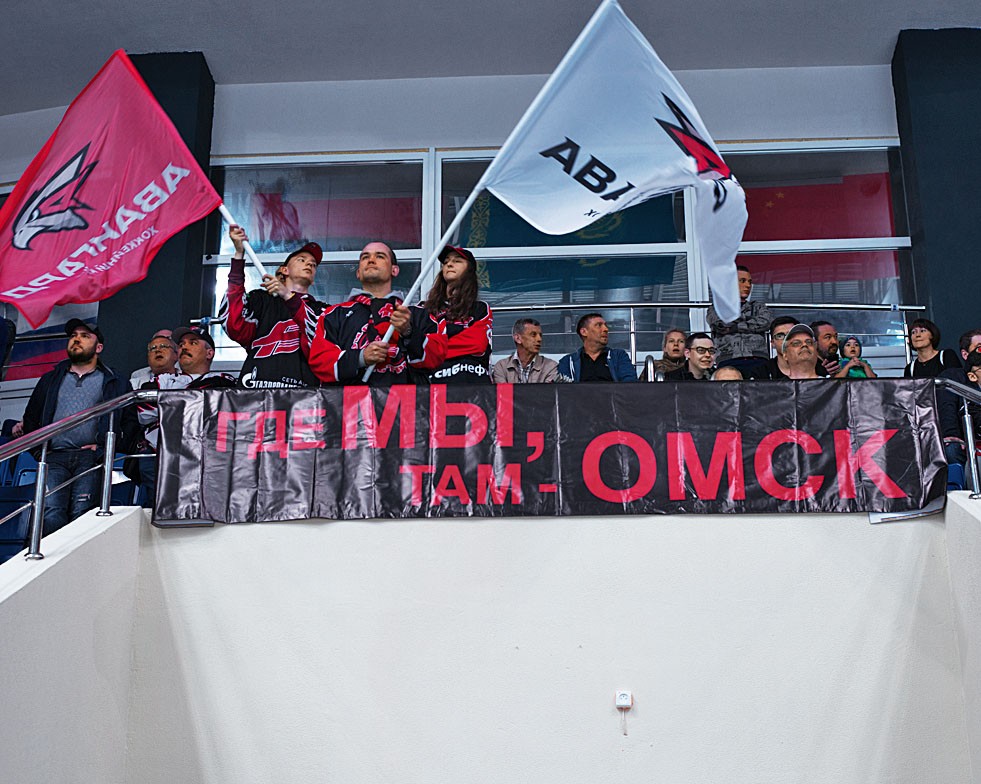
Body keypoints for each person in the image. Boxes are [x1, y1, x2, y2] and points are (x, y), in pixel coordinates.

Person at [18, 319, 137, 534]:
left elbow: (129, 422)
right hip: (54, 457)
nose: (76, 339)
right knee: (51, 512)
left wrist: (104, 449)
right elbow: (31, 417)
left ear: (98, 347)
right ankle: (52, 556)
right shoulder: (50, 379)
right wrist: (38, 451)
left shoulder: (115, 380)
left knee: (84, 512)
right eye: (73, 335)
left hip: (90, 458)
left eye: (84, 336)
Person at [309, 241, 440, 385]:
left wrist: (409, 332)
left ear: (394, 270)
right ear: (358, 273)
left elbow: (436, 358)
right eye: (365, 257)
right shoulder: (334, 314)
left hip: (405, 399)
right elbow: (319, 361)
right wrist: (361, 358)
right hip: (351, 399)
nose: (371, 260)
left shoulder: (418, 315)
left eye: (380, 256)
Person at [223, 225, 328, 388]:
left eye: (313, 265)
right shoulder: (262, 300)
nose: (309, 264)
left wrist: (287, 295)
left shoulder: (322, 310)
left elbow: (323, 349)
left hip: (303, 397)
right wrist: (238, 256)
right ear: (285, 270)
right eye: (302, 260)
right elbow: (233, 324)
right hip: (255, 394)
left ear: (313, 280)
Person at [416, 246, 493, 384]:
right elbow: (414, 348)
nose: (449, 264)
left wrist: (431, 347)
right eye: (446, 262)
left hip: (472, 386)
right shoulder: (423, 308)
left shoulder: (480, 308)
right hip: (431, 388)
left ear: (469, 270)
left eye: (457, 261)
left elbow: (477, 344)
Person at [706, 266, 772, 376]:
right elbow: (720, 324)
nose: (748, 285)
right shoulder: (718, 307)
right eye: (742, 281)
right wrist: (750, 320)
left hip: (758, 358)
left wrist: (735, 326)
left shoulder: (758, 306)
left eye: (750, 282)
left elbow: (766, 322)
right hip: (728, 358)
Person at [558, 313, 638, 382]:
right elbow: (564, 390)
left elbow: (630, 386)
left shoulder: (619, 356)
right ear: (584, 332)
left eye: (605, 325)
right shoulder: (568, 362)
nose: (606, 329)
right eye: (599, 325)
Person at [492, 318, 560, 383]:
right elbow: (502, 391)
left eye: (540, 335)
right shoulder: (501, 367)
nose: (539, 339)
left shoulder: (550, 366)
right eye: (533, 335)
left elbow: (549, 391)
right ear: (518, 338)